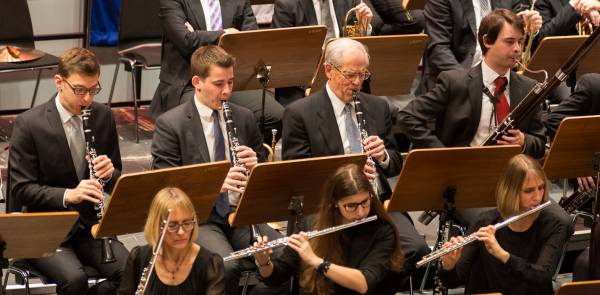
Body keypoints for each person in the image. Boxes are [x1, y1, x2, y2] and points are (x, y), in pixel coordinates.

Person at [282, 37, 430, 274]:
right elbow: (297, 174)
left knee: (417, 249)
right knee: (343, 254)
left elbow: (395, 164)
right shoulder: (300, 113)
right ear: (328, 70)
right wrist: (347, 178)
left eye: (363, 75)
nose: (357, 83)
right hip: (328, 206)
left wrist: (383, 156)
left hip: (375, 202)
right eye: (350, 75)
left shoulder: (377, 107)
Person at [151, 45, 283, 295]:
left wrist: (256, 166)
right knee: (225, 265)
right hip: (199, 218)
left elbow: (265, 177)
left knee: (286, 254)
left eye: (231, 82)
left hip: (241, 214)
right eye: (219, 84)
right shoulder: (171, 124)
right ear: (197, 82)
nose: (227, 91)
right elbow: (165, 187)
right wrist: (214, 185)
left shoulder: (244, 117)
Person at [8, 48, 128, 295]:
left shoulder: (102, 116)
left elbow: (117, 180)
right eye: (80, 90)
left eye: (94, 90)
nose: (87, 100)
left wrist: (109, 174)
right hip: (46, 229)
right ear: (59, 82)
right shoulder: (30, 125)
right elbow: (21, 189)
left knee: (130, 270)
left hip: (89, 226)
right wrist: (68, 195)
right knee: (74, 280)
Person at [253, 163, 404, 294]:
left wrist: (315, 260)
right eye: (351, 206)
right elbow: (278, 275)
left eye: (365, 202)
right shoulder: (312, 223)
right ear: (335, 203)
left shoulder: (383, 231)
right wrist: (264, 262)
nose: (361, 212)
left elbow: (364, 283)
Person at [438, 154, 573, 295]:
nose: (538, 197)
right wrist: (449, 265)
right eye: (529, 191)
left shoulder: (554, 225)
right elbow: (453, 281)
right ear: (511, 191)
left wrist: (502, 254)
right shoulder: (485, 222)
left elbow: (541, 277)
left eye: (541, 188)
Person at [153, 0, 283, 140]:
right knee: (203, 121)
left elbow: (249, 39)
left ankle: (248, 157)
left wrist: (199, 35)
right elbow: (186, 42)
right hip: (190, 82)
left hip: (232, 81)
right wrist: (225, 34)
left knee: (276, 116)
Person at [117, 187, 224, 294]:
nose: (181, 232)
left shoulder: (211, 264)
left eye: (187, 223)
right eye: (172, 225)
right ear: (157, 225)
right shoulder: (139, 257)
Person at [418, 0, 541, 94]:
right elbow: (438, 48)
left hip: (500, 77)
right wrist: (469, 82)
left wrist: (529, 27)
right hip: (457, 80)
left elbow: (520, 27)